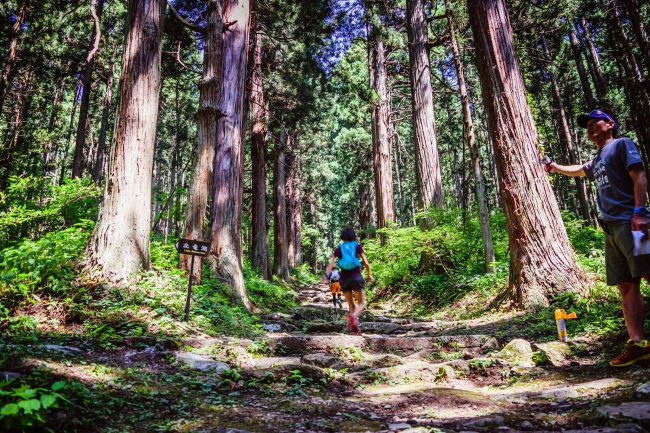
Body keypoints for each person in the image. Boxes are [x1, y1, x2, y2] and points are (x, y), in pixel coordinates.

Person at [545, 108, 650, 367]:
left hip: (632, 221)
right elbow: (580, 171)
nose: (590, 128)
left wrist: (640, 211)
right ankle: (637, 343)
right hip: (610, 227)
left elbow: (640, 177)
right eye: (587, 126)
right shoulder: (598, 158)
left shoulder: (622, 145)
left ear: (610, 124)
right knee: (626, 284)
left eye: (595, 123)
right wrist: (555, 168)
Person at [325, 228, 374, 335]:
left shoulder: (339, 248)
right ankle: (353, 317)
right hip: (356, 277)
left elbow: (331, 264)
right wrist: (369, 274)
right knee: (362, 303)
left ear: (343, 237)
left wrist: (327, 275)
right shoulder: (357, 246)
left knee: (351, 305)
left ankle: (355, 331)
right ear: (353, 236)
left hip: (343, 279)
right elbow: (366, 262)